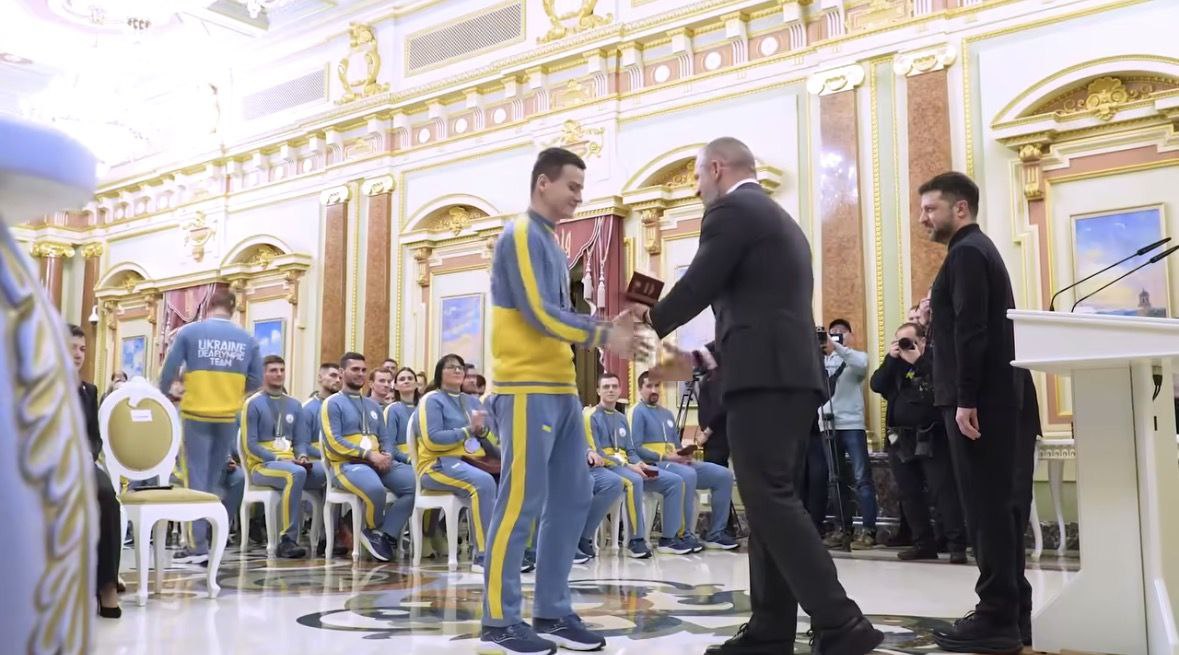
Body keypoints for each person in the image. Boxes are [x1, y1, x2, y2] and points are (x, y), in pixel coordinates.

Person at [637, 137, 882, 655]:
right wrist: (697, 358)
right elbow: (755, 310)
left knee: (769, 499)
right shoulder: (776, 217)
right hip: (788, 376)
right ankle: (771, 627)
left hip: (765, 379)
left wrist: (646, 323)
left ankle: (842, 622)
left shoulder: (731, 210)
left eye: (697, 177)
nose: (697, 189)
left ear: (717, 168)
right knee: (772, 500)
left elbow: (699, 284)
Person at [479, 147, 640, 655]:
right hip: (525, 387)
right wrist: (605, 333)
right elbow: (539, 313)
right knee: (519, 503)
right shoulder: (521, 234)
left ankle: (551, 610)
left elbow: (560, 317)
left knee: (573, 498)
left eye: (581, 188)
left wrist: (612, 328)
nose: (578, 197)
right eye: (573, 186)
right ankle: (499, 621)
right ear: (543, 183)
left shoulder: (550, 241)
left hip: (562, 387)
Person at [919, 171, 1025, 653]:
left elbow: (972, 329)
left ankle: (996, 617)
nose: (924, 218)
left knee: (985, 511)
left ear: (960, 208)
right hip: (993, 397)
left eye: (931, 209)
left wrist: (965, 399)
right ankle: (1012, 613)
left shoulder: (965, 253)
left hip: (978, 404)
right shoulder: (978, 250)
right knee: (996, 509)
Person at [158, 287, 262, 565]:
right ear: (233, 308)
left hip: (196, 413)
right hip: (227, 416)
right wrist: (232, 392)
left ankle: (196, 545)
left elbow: (169, 369)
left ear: (209, 305)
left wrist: (167, 392)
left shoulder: (190, 333)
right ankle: (209, 536)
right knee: (214, 479)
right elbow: (256, 379)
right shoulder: (248, 340)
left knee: (195, 479)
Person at [869, 323, 966, 563]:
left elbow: (943, 385)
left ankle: (957, 545)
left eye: (909, 341)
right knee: (909, 493)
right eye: (899, 341)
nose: (904, 346)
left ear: (922, 341)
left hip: (932, 436)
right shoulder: (894, 365)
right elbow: (876, 384)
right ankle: (923, 543)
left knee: (943, 491)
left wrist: (919, 361)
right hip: (900, 440)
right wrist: (891, 359)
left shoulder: (934, 360)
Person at [320, 352, 415, 562]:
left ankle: (384, 534)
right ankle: (373, 529)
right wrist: (369, 455)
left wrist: (387, 454)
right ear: (342, 372)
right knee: (375, 489)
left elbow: (385, 438)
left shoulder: (372, 406)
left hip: (378, 462)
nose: (360, 373)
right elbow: (334, 441)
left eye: (363, 370)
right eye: (355, 369)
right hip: (346, 465)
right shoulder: (332, 403)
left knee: (417, 483)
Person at [412, 354, 500, 571]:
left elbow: (489, 438)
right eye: (451, 367)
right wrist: (468, 430)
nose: (458, 370)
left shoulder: (472, 401)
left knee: (510, 479)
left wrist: (482, 431)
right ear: (439, 373)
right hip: (437, 465)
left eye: (460, 367)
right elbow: (432, 440)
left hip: (473, 461)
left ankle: (514, 549)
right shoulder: (431, 400)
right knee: (483, 483)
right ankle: (484, 555)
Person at [631, 372, 737, 550]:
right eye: (649, 386)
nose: (654, 390)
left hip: (675, 462)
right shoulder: (638, 412)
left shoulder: (667, 414)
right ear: (640, 389)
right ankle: (683, 534)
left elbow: (676, 445)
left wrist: (684, 454)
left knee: (723, 475)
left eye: (657, 386)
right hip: (655, 464)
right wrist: (666, 457)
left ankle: (716, 533)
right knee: (688, 475)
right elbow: (636, 448)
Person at [582, 372, 669, 558]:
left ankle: (670, 537)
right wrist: (628, 466)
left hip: (623, 466)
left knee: (653, 475)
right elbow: (597, 452)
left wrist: (639, 463)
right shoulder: (591, 416)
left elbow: (630, 450)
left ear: (620, 390)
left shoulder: (621, 418)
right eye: (606, 387)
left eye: (614, 386)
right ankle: (636, 540)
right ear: (598, 391)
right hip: (605, 466)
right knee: (634, 481)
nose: (611, 390)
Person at [69, 324, 121, 619]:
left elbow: (95, 436)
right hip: (50, 464)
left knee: (107, 495)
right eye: (72, 347)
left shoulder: (88, 391)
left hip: (83, 462)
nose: (78, 354)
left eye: (82, 348)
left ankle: (107, 585)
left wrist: (87, 454)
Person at [240, 355, 314, 558]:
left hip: (292, 462)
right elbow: (250, 445)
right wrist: (279, 460)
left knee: (325, 474)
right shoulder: (252, 403)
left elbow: (300, 441)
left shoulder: (294, 404)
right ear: (263, 374)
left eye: (282, 370)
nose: (279, 374)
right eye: (273, 370)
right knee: (295, 474)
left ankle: (328, 537)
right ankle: (287, 540)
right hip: (262, 466)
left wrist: (302, 455)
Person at [819, 319, 878, 551]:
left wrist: (838, 347)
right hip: (827, 425)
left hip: (852, 425)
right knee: (835, 480)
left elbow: (862, 365)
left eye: (841, 333)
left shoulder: (856, 357)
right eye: (831, 333)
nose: (835, 336)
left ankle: (869, 530)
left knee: (862, 478)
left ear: (850, 336)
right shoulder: (820, 361)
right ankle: (842, 528)